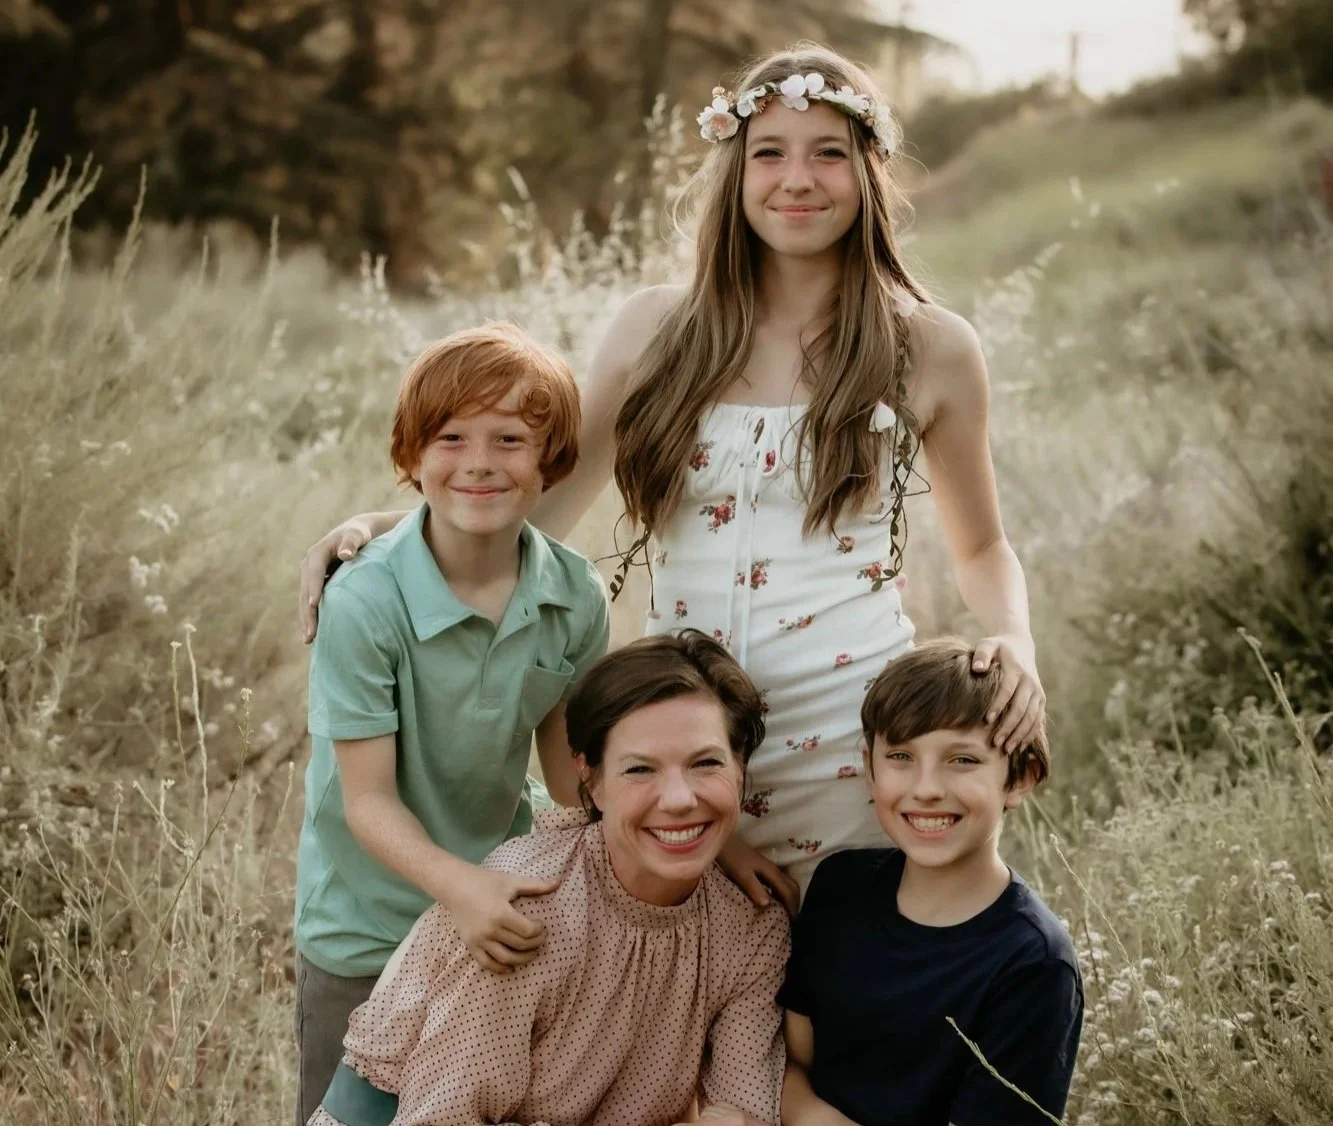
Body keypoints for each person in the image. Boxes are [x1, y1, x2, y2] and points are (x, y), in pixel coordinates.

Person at [297, 43, 1047, 907]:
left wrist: (1016, 647)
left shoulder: (930, 345)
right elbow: (536, 500)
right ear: (734, 171)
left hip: (848, 736)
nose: (796, 179)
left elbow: (983, 544)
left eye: (828, 153)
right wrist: (382, 527)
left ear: (869, 170)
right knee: (679, 1001)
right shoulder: (657, 328)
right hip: (682, 738)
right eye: (768, 152)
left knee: (835, 1001)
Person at [283, 632, 829, 1126]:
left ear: (741, 769)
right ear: (587, 779)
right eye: (639, 770)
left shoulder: (747, 929)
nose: (678, 797)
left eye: (705, 764)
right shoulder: (528, 904)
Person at [292, 322, 610, 1126]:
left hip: (495, 925)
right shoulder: (364, 602)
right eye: (451, 437)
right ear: (411, 455)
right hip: (368, 929)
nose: (480, 462)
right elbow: (367, 801)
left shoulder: (574, 597)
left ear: (552, 461)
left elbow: (569, 775)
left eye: (511, 439)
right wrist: (458, 889)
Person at [735, 638, 1083, 1126]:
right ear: (866, 768)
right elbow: (792, 1057)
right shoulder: (838, 888)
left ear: (1019, 777)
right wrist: (816, 1121)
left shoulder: (1032, 961)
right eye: (900, 756)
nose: (925, 786)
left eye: (962, 759)